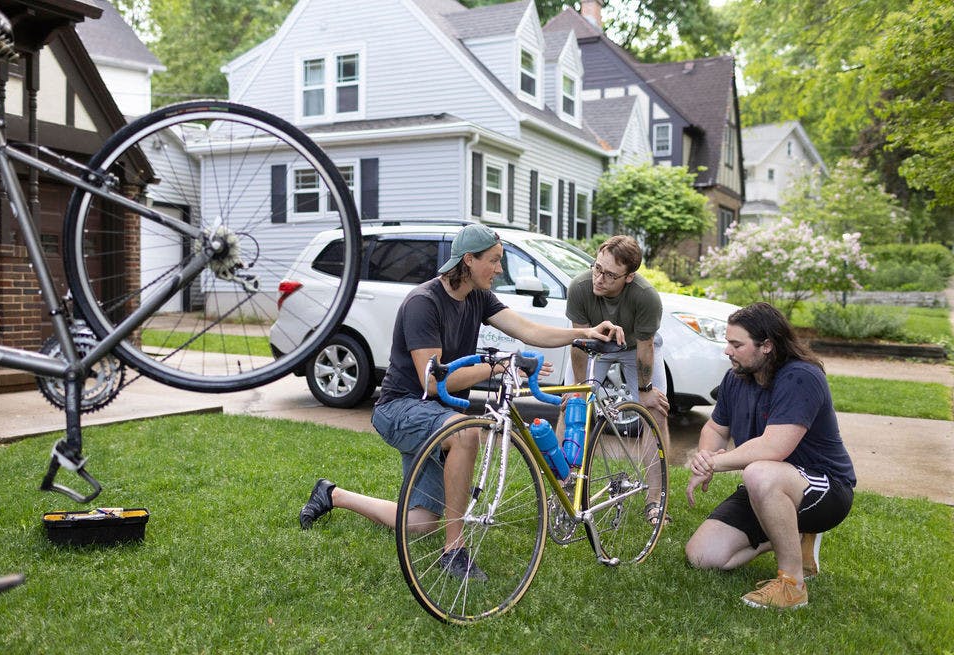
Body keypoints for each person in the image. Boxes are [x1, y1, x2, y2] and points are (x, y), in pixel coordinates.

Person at [298, 223, 623, 581]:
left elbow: (529, 330)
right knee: (466, 434)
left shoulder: (478, 298)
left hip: (440, 414)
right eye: (494, 261)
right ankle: (455, 551)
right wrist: (497, 365)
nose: (499, 269)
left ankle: (332, 494)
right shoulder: (423, 303)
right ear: (469, 260)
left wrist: (583, 332)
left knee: (420, 523)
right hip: (400, 409)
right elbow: (434, 382)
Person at [684, 302, 856, 610]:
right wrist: (704, 456)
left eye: (736, 344)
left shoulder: (801, 377)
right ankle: (793, 533)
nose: (727, 351)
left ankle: (792, 586)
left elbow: (775, 448)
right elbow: (715, 426)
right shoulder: (735, 378)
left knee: (759, 471)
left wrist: (716, 463)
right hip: (767, 489)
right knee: (702, 557)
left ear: (766, 346)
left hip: (825, 489)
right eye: (727, 342)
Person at [561, 234, 670, 523]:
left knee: (657, 411)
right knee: (570, 404)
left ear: (629, 276)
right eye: (597, 268)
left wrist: (646, 391)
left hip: (635, 348)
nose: (599, 278)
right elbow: (580, 343)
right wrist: (580, 388)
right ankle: (564, 487)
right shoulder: (580, 287)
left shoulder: (645, 297)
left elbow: (646, 348)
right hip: (594, 345)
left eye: (610, 275)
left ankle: (655, 501)